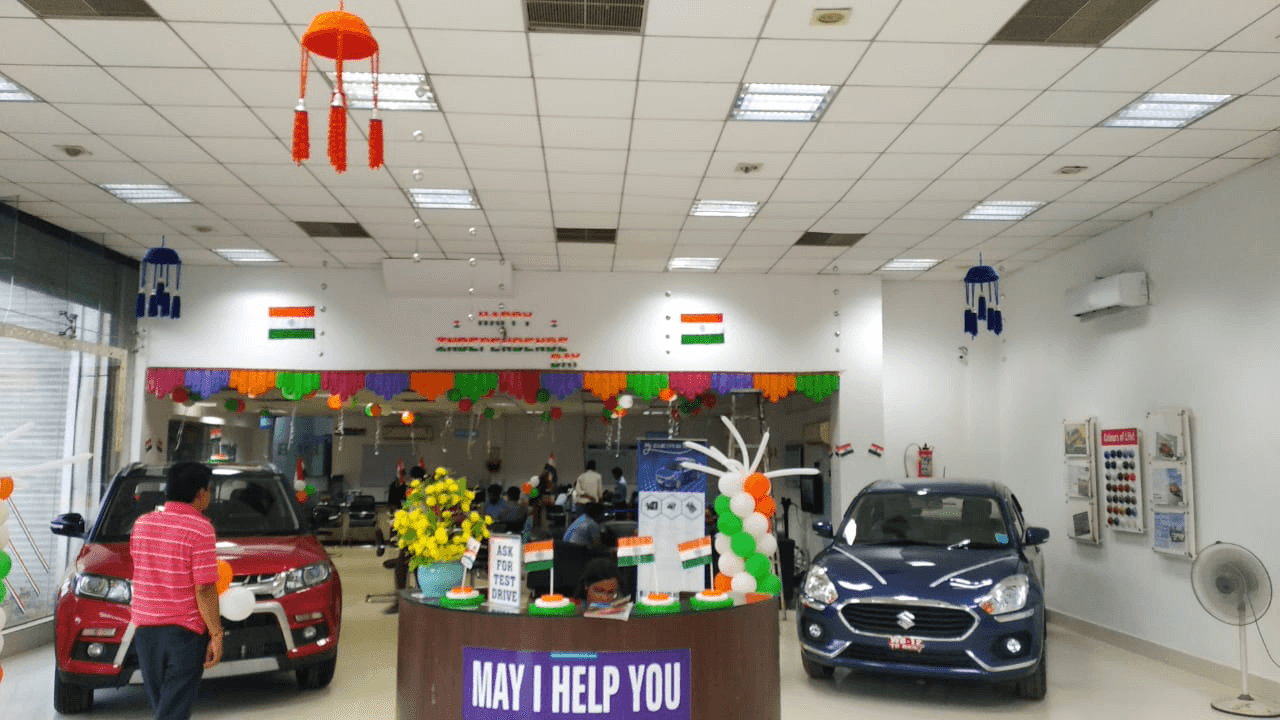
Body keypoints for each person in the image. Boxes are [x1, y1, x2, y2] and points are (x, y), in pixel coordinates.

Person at [129, 461, 222, 720]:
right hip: (184, 634)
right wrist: (216, 633)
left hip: (146, 632)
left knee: (164, 705)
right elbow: (204, 588)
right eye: (210, 490)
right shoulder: (201, 529)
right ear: (201, 494)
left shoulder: (142, 524)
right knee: (173, 710)